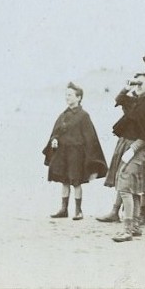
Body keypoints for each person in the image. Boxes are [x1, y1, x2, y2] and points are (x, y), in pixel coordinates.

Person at [99, 65, 145, 242]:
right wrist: (130, 86)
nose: (137, 85)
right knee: (134, 188)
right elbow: (121, 99)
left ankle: (128, 229)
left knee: (124, 185)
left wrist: (133, 149)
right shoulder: (142, 100)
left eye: (141, 82)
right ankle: (135, 226)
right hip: (141, 148)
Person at [42, 81, 109, 220]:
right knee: (64, 180)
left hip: (76, 155)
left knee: (76, 181)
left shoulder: (83, 116)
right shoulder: (63, 114)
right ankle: (63, 209)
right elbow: (56, 131)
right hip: (62, 153)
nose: (67, 98)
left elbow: (91, 138)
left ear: (78, 97)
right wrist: (54, 139)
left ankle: (78, 211)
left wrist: (90, 158)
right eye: (66, 95)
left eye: (70, 95)